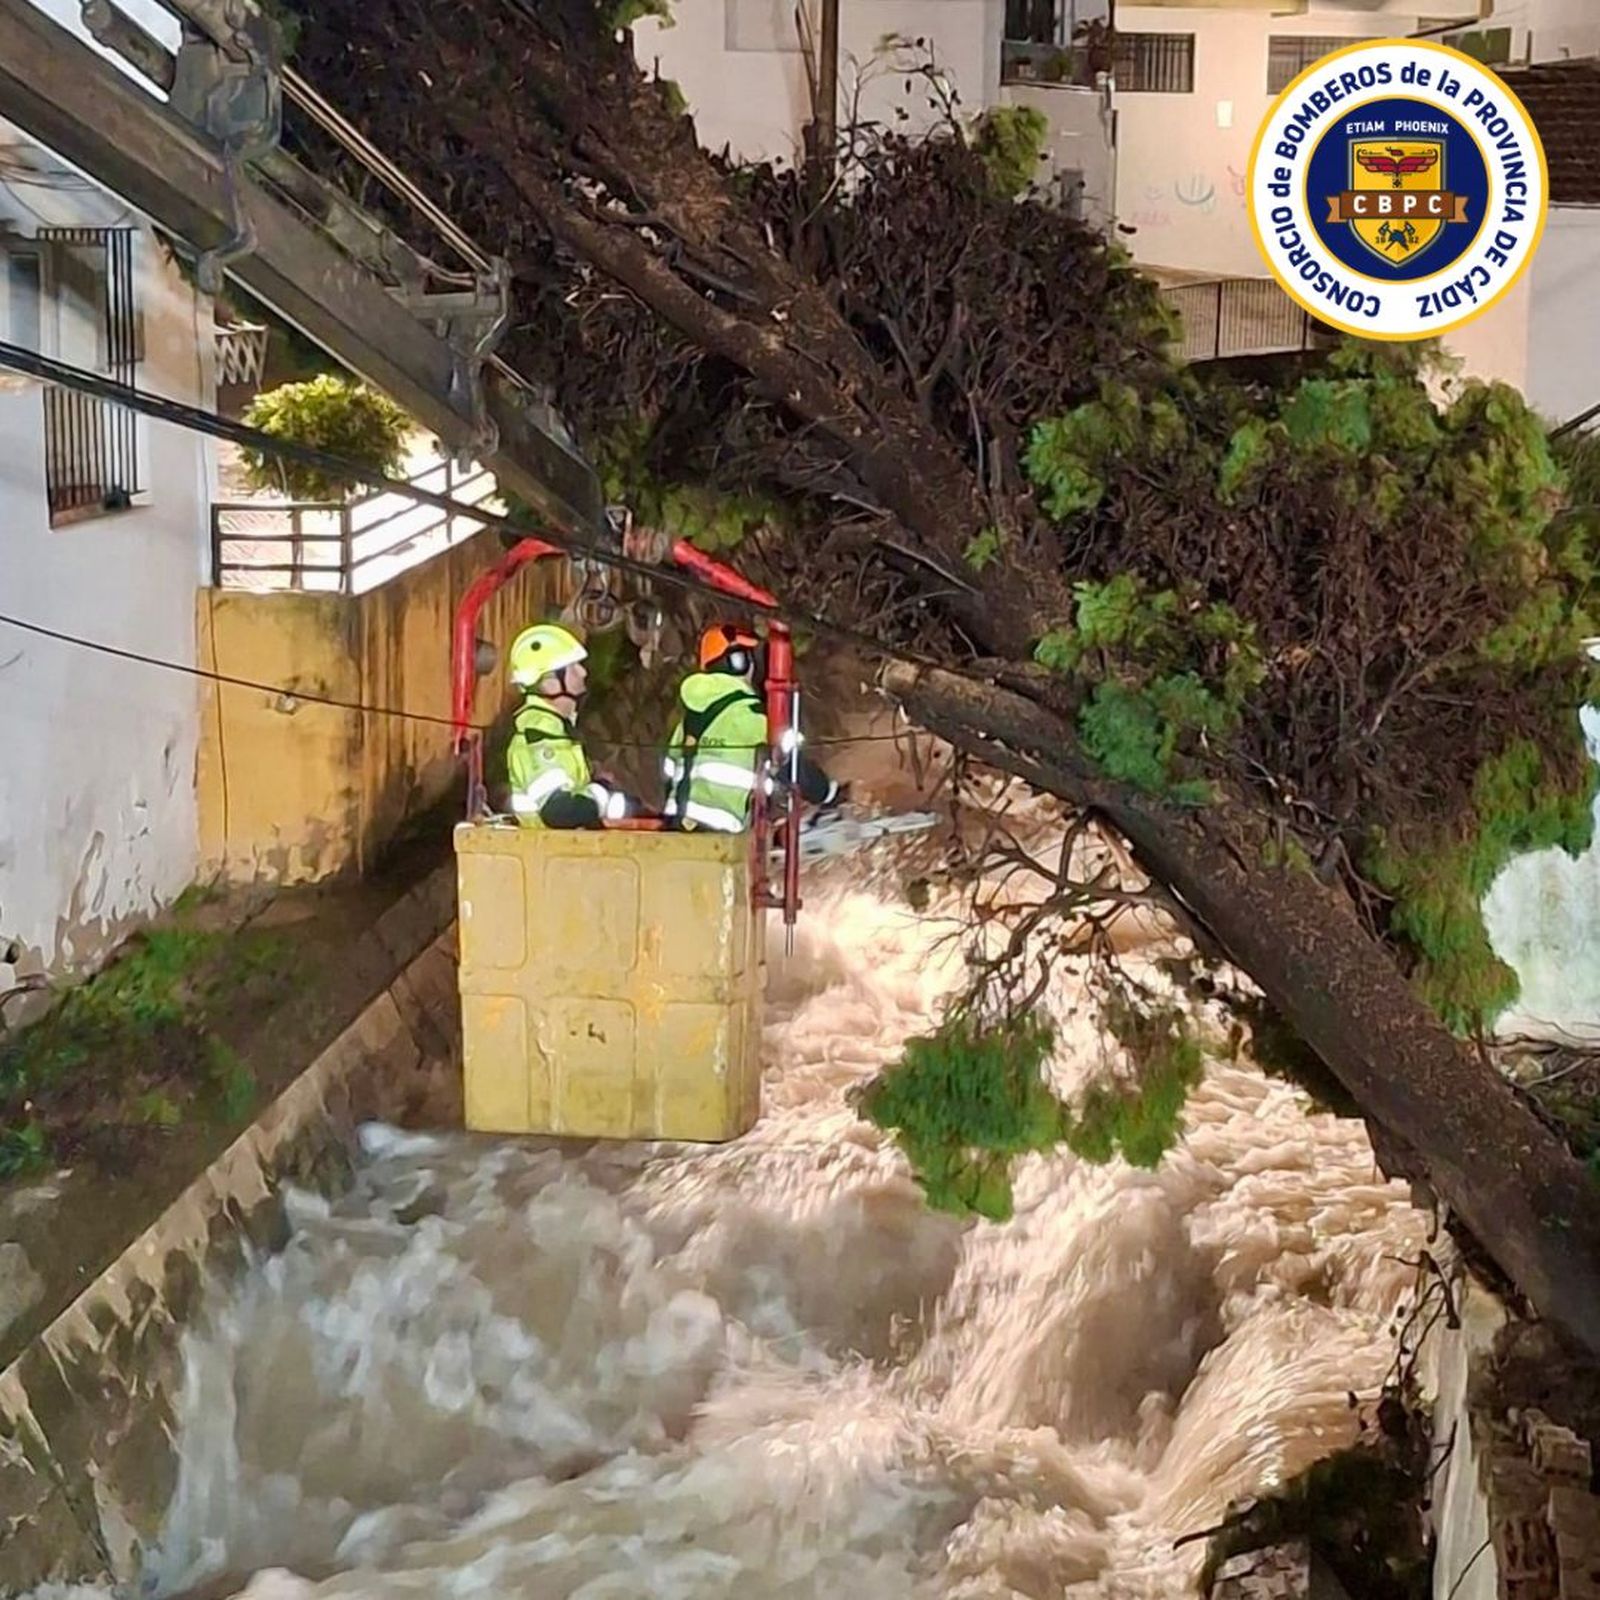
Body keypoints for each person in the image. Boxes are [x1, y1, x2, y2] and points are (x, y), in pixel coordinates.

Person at [661, 622, 843, 832]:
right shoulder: (747, 714)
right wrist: (824, 792)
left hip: (676, 826)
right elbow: (788, 764)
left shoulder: (689, 718)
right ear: (736, 663)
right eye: (745, 657)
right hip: (720, 829)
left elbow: (670, 771)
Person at [504, 622, 630, 828]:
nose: (583, 672)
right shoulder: (539, 735)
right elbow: (560, 812)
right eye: (573, 667)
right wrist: (601, 790)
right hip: (547, 847)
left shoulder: (556, 730)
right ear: (549, 682)